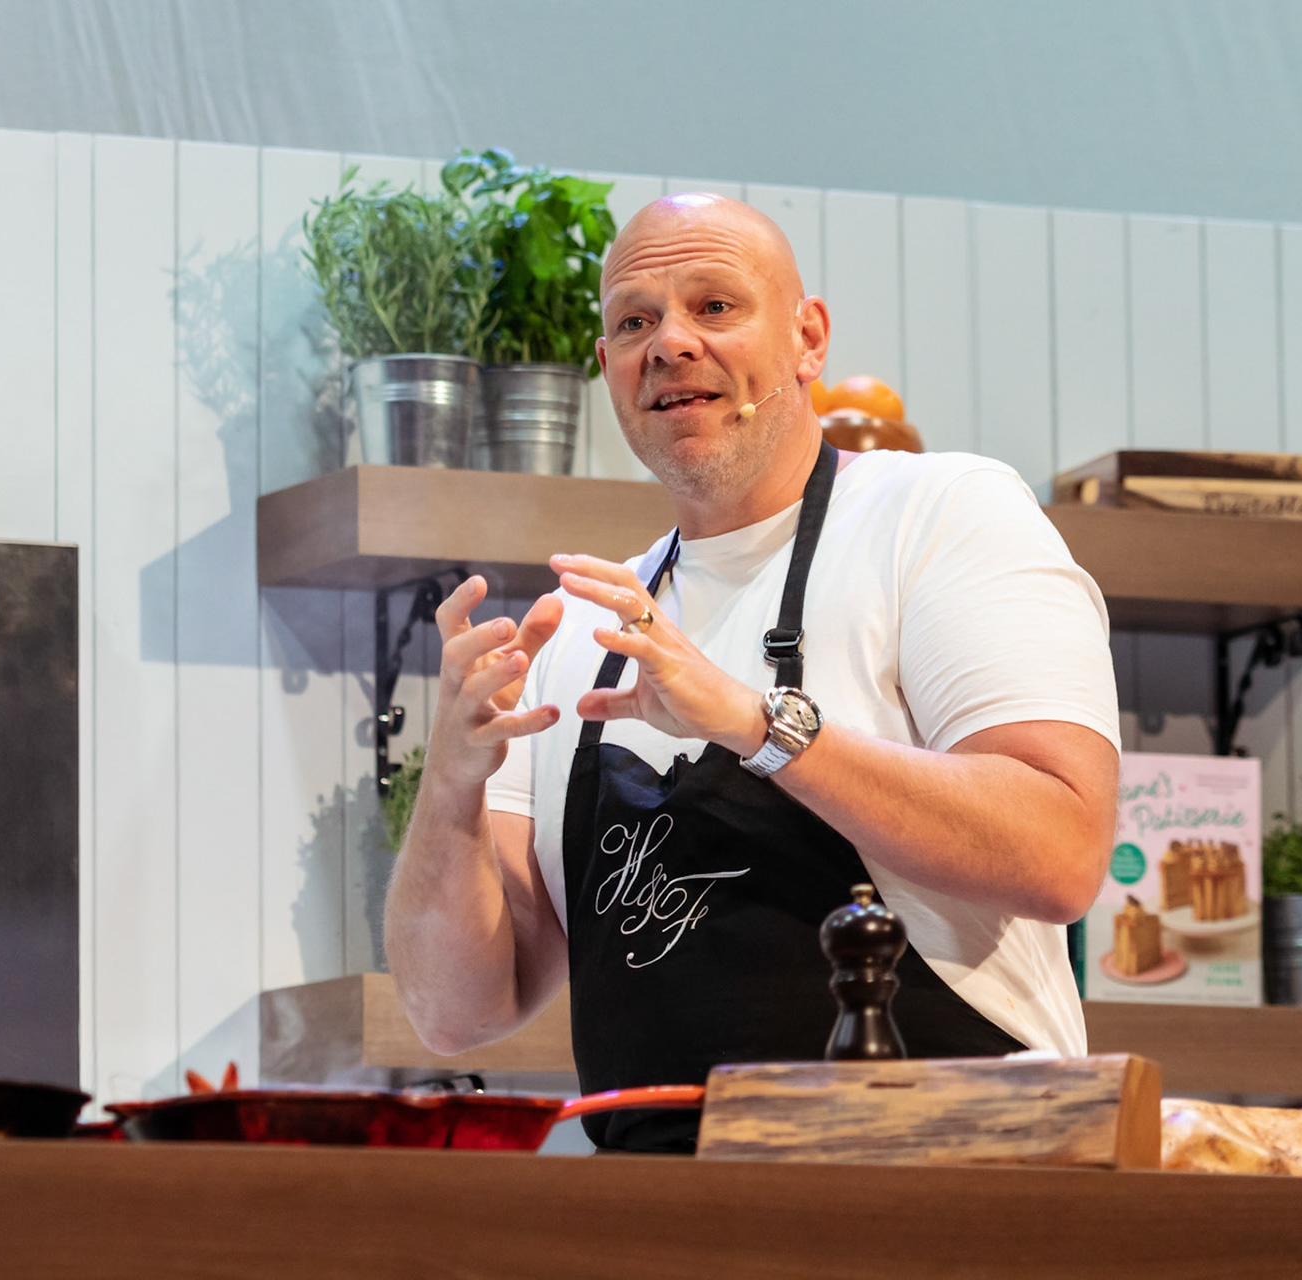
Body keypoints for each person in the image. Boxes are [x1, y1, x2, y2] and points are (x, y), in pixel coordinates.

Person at [383, 192, 1121, 1152]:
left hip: (952, 1178)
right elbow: (456, 1011)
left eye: (715, 306)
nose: (670, 343)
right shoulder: (577, 628)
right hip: (667, 1206)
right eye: (634, 322)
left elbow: (1060, 852)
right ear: (607, 367)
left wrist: (757, 724)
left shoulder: (939, 515)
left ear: (808, 339)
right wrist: (449, 782)